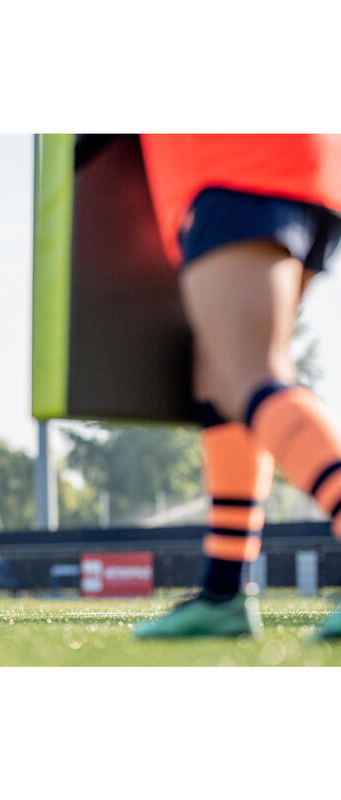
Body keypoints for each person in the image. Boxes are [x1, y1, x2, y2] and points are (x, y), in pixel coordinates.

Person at [133, 134, 341, 639]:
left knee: (250, 372)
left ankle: (224, 593)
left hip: (237, 163)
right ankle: (224, 591)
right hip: (283, 165)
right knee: (222, 382)